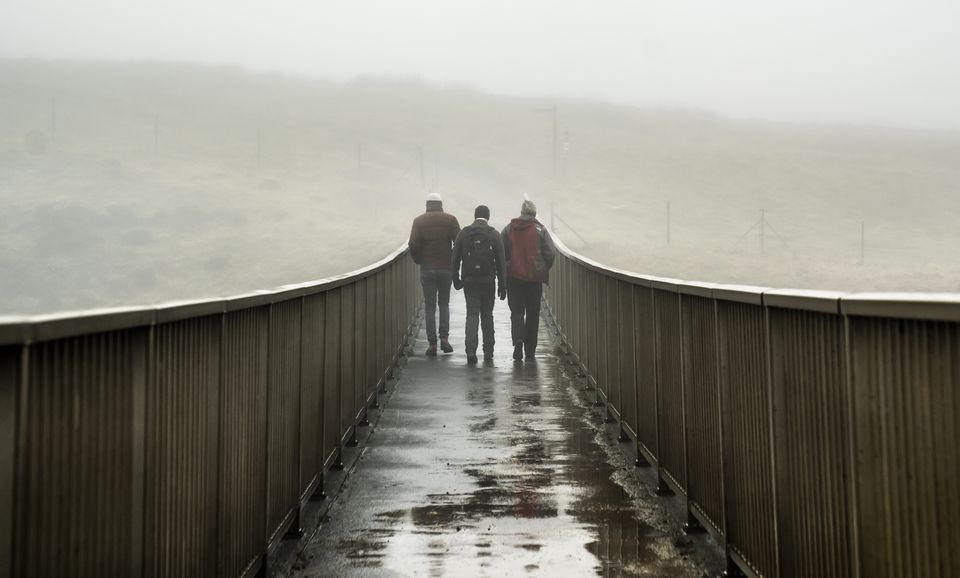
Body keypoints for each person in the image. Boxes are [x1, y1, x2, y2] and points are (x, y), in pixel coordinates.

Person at [451, 205, 507, 364]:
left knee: (472, 314)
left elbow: (454, 259)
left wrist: (456, 279)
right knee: (487, 315)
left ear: (475, 216)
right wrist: (503, 285)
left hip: (469, 282)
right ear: (487, 217)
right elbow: (501, 262)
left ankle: (470, 351)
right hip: (488, 282)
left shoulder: (464, 233)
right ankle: (488, 351)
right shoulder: (494, 234)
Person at [501, 199, 556, 361]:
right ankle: (530, 350)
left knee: (517, 311)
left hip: (514, 278)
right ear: (534, 213)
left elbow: (502, 249)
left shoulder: (510, 228)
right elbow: (550, 253)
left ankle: (518, 341)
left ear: (522, 212)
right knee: (533, 313)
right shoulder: (540, 230)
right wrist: (544, 266)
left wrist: (506, 265)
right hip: (534, 279)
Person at [409, 192, 461, 356]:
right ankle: (444, 338)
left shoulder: (419, 221)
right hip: (446, 268)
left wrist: (419, 259)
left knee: (430, 306)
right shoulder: (450, 219)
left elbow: (413, 243)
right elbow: (459, 241)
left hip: (427, 268)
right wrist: (452, 258)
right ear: (441, 204)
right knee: (444, 304)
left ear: (427, 205)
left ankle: (432, 344)